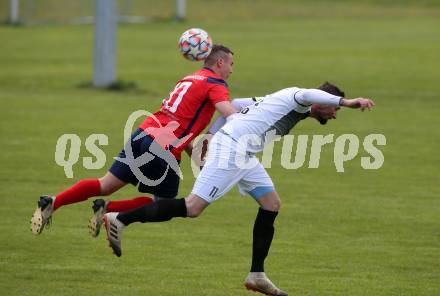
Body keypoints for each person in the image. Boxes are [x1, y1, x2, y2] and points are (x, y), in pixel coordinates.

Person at [102, 82, 375, 296]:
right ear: (320, 100)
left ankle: (257, 275)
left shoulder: (285, 103)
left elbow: (236, 104)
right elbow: (306, 93)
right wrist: (348, 102)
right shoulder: (298, 96)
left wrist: (212, 136)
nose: (335, 115)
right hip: (232, 149)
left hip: (242, 153)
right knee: (193, 207)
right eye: (334, 109)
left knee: (272, 203)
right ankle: (121, 218)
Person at [30, 44, 237, 236]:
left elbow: (179, 123)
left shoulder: (190, 79)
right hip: (162, 148)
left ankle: (54, 202)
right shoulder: (215, 83)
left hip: (142, 134)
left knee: (105, 184)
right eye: (231, 64)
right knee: (164, 205)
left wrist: (197, 158)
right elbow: (230, 115)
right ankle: (111, 212)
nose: (231, 70)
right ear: (220, 62)